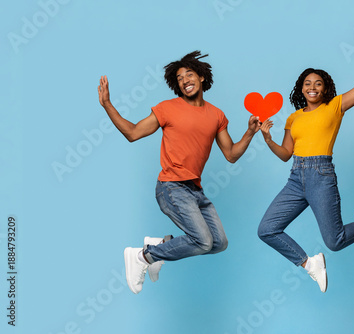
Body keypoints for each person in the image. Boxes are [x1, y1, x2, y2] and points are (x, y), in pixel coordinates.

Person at [98, 51, 261, 294]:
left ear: (202, 77)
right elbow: (132, 133)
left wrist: (250, 132)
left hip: (196, 191)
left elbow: (231, 154)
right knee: (203, 241)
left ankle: (161, 246)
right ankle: (143, 256)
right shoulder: (167, 109)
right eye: (179, 78)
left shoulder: (216, 115)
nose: (185, 80)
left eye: (189, 74)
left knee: (218, 243)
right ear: (177, 85)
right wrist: (107, 105)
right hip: (171, 187)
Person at [258, 46, 354, 292]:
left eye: (318, 84)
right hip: (296, 178)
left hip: (321, 177)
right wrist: (267, 139)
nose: (312, 87)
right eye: (308, 83)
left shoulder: (335, 106)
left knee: (335, 241)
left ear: (325, 88)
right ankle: (310, 263)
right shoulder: (294, 118)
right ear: (301, 88)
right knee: (266, 229)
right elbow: (286, 155)